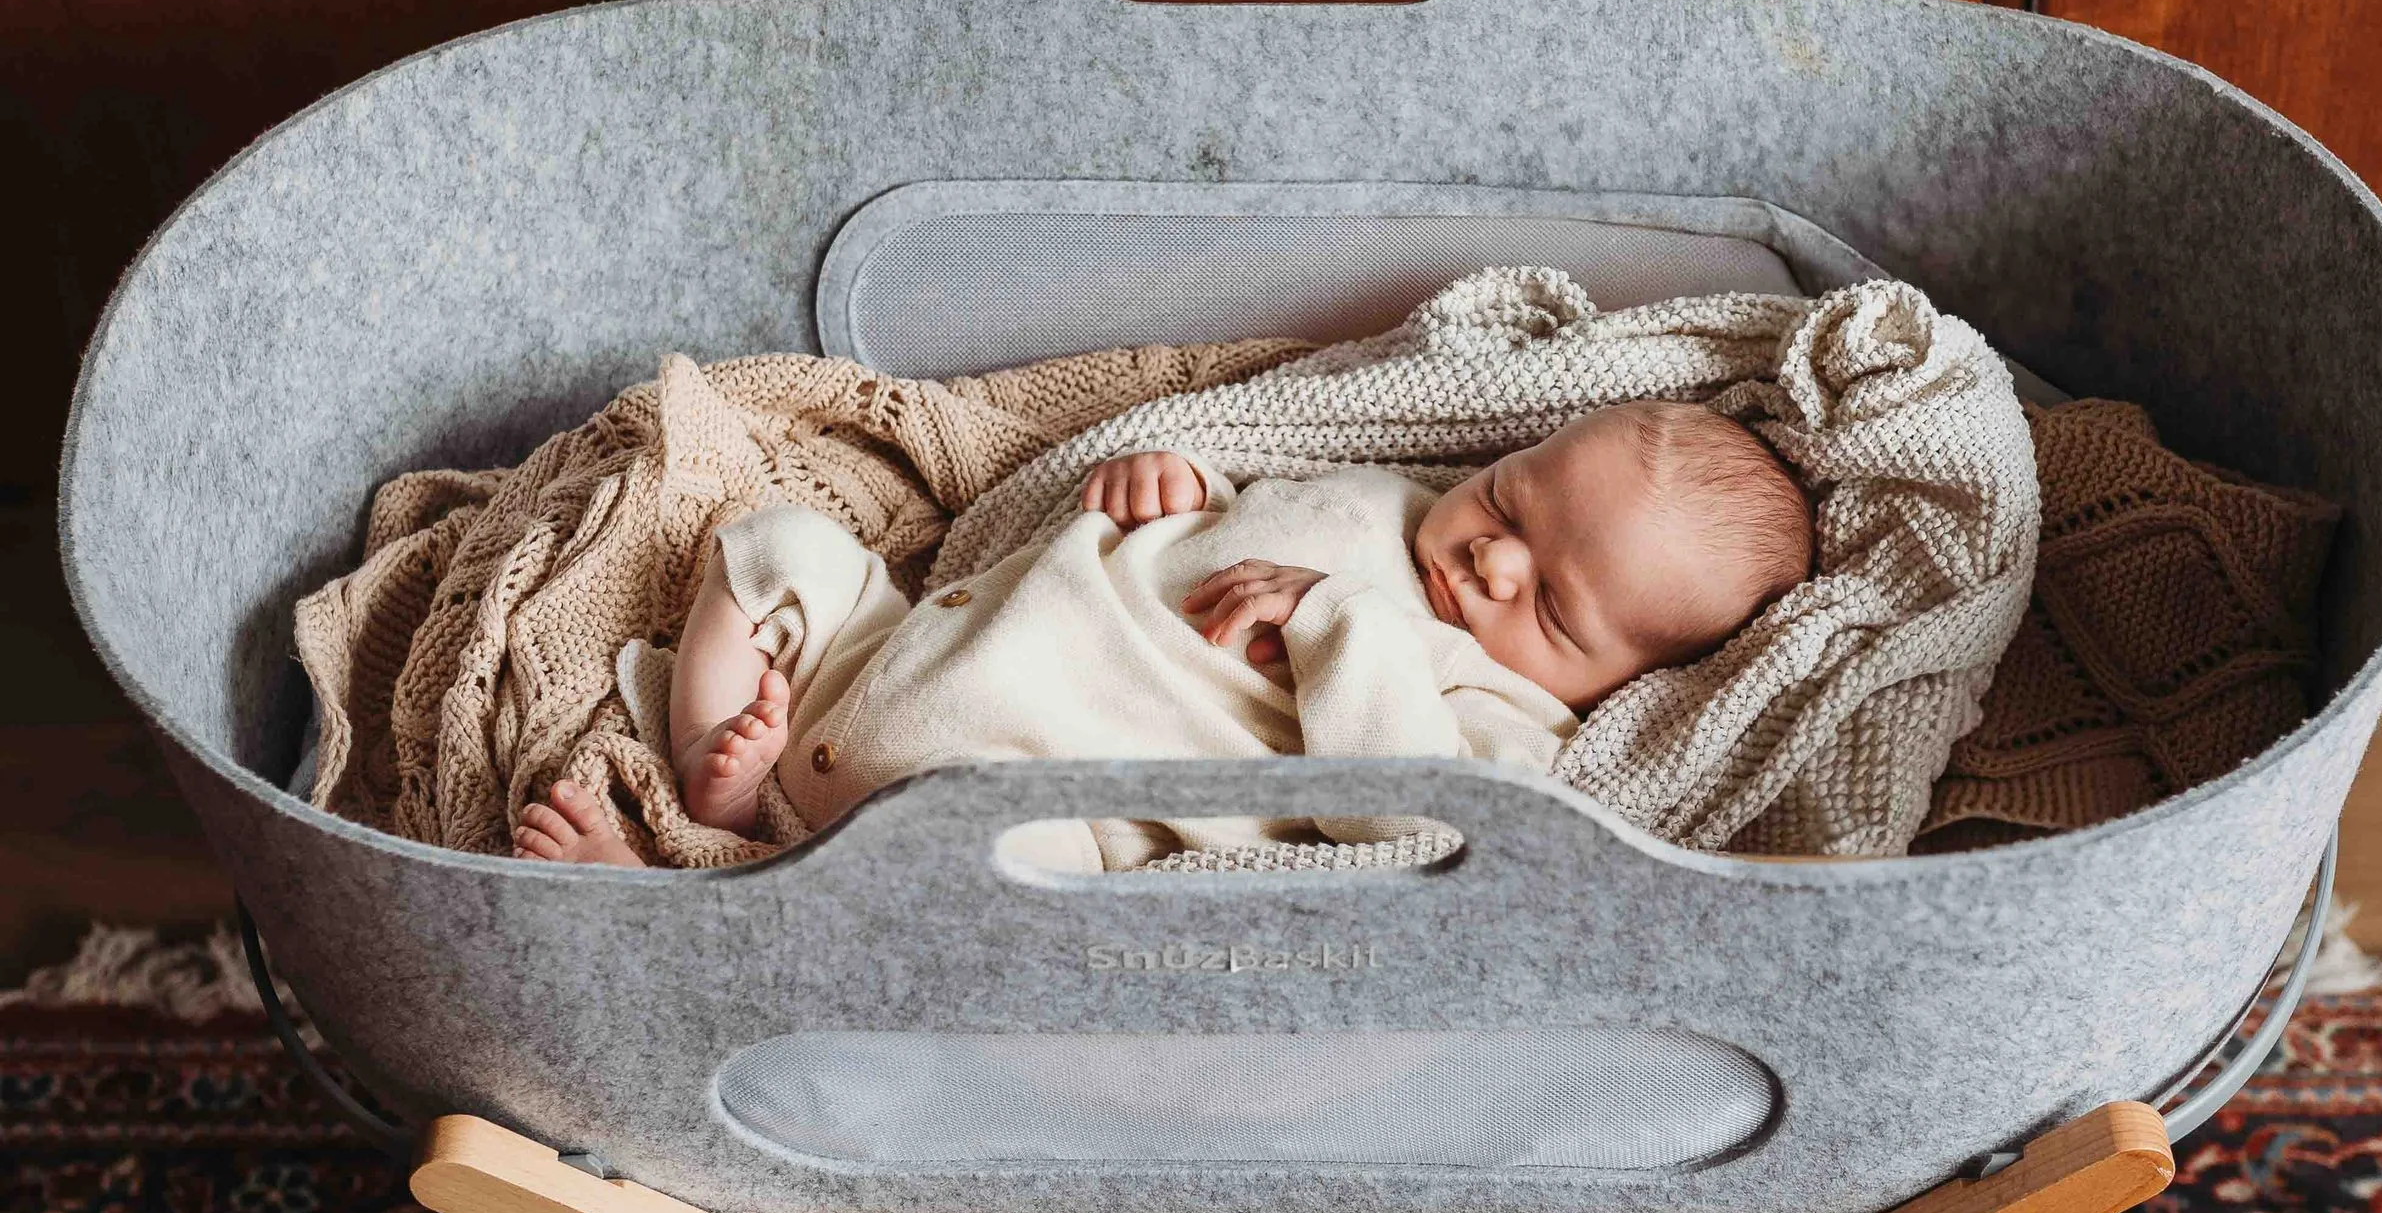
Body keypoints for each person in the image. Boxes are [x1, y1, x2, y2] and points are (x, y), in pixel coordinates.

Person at [515, 400, 1812, 869]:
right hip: (903, 650)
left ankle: (700, 891)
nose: (1493, 557)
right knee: (777, 545)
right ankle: (718, 772)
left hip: (1032, 781)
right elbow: (1234, 496)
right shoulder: (1391, 496)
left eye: (1554, 604)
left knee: (991, 894)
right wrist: (1171, 478)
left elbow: (1428, 820)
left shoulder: (1497, 704)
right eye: (1516, 497)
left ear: (1628, 678)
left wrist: (1339, 622)